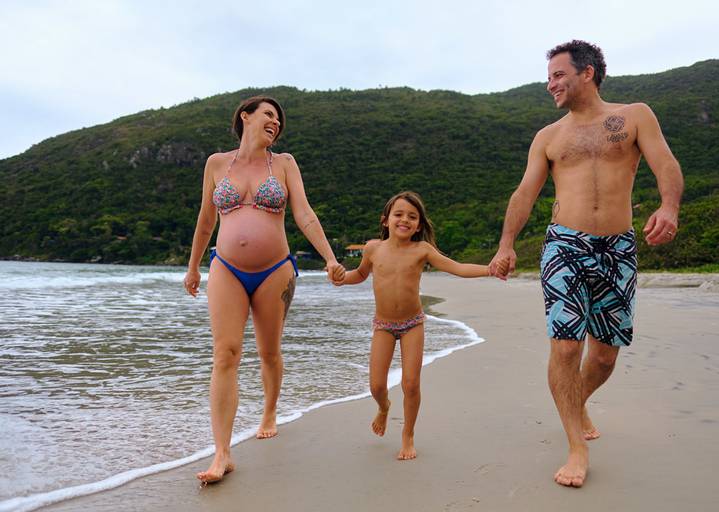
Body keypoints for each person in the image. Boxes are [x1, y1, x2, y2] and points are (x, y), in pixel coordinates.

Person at [490, 40, 684, 487]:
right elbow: (525, 194)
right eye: (549, 77)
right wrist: (506, 244)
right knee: (565, 347)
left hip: (618, 248)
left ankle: (574, 402)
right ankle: (576, 446)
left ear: (587, 73)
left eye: (558, 75)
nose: (550, 84)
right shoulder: (549, 137)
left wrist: (669, 207)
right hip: (564, 245)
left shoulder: (635, 116)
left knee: (603, 356)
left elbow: (666, 164)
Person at [183, 95, 345, 484]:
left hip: (275, 270)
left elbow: (304, 213)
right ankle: (222, 452)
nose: (275, 122)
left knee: (268, 351)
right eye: (269, 115)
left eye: (279, 120)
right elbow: (206, 221)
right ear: (246, 116)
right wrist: (192, 267)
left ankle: (269, 411)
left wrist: (330, 258)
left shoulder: (285, 164)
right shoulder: (217, 164)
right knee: (225, 353)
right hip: (225, 268)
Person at [336, 191, 505, 460]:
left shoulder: (422, 250)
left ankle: (408, 434)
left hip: (412, 324)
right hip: (383, 325)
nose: (405, 220)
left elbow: (456, 267)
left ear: (419, 224)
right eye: (399, 214)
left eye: (412, 217)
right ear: (385, 220)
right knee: (376, 386)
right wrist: (341, 278)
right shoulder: (373, 249)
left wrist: (490, 269)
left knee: (411, 384)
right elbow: (359, 274)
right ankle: (383, 407)